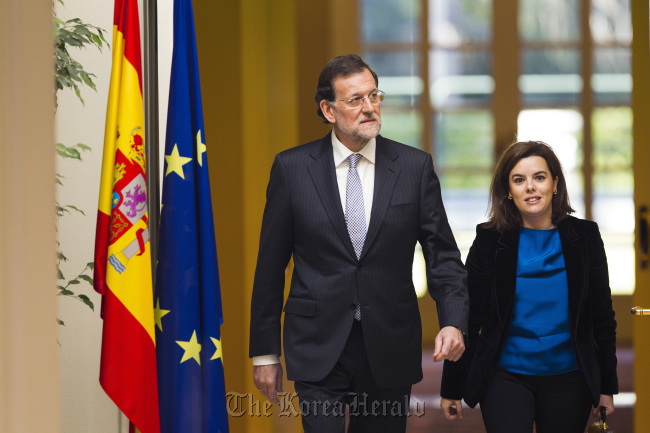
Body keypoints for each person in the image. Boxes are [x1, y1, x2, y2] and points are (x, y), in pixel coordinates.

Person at [249, 54, 469, 433]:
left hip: (389, 340)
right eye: (355, 100)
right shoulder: (292, 169)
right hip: (316, 341)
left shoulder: (414, 168)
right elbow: (270, 268)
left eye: (374, 95)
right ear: (328, 110)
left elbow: (443, 256)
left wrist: (453, 321)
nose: (370, 108)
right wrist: (265, 353)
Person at [440, 140, 618, 433]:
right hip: (505, 375)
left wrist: (606, 386)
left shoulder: (586, 237)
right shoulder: (489, 240)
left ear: (555, 183)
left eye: (540, 177)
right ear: (508, 191)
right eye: (519, 180)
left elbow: (602, 317)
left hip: (570, 377)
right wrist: (452, 386)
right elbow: (469, 318)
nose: (530, 187)